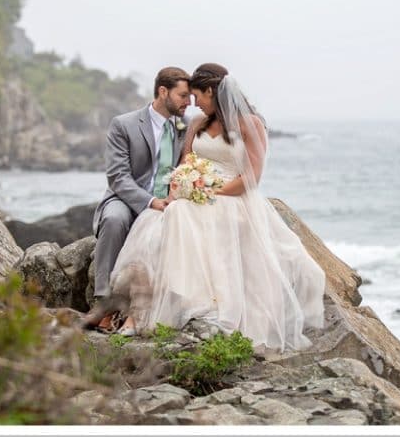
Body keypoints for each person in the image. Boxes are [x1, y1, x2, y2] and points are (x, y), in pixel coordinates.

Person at [109, 63, 326, 351]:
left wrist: (210, 190)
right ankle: (152, 306)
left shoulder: (250, 123)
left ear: (212, 91)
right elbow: (185, 162)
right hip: (198, 194)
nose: (194, 104)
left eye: (198, 96)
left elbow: (251, 177)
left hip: (234, 198)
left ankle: (195, 303)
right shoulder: (198, 123)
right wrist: (185, 183)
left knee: (181, 214)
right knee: (163, 218)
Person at [84, 67, 192, 329]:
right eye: (183, 96)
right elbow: (118, 177)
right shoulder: (125, 124)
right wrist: (151, 202)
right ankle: (104, 305)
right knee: (114, 219)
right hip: (128, 197)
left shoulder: (184, 126)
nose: (188, 103)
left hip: (169, 200)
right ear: (162, 91)